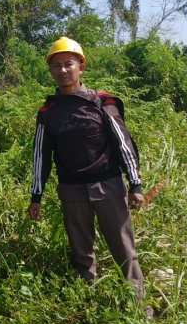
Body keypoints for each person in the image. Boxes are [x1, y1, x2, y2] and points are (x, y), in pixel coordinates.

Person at [28, 36, 146, 299]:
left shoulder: (104, 103)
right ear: (50, 71)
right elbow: (41, 156)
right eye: (56, 65)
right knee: (82, 253)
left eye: (68, 64)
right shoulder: (48, 112)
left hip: (109, 188)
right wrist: (36, 196)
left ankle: (139, 306)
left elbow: (124, 145)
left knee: (124, 249)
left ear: (81, 67)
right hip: (72, 192)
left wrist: (135, 185)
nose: (62, 70)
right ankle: (87, 305)